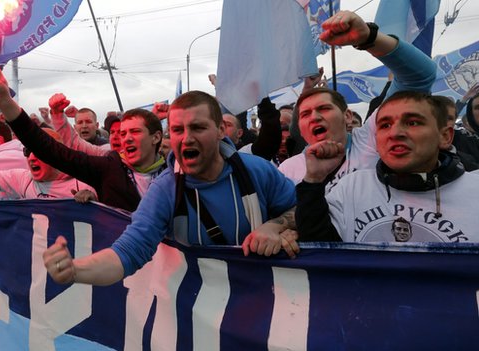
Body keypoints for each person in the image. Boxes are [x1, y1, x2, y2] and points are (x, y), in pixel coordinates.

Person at [41, 90, 299, 286]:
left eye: (197, 127)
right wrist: (77, 271)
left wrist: (275, 226)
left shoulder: (256, 170)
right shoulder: (165, 189)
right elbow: (128, 251)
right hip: (204, 309)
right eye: (177, 130)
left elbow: (302, 211)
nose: (187, 138)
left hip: (269, 298)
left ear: (221, 130)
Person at [279, 11, 437, 193]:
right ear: (299, 126)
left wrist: (369, 38)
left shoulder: (372, 138)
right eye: (305, 114)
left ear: (347, 116)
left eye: (324, 108)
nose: (314, 117)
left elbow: (419, 76)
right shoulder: (287, 171)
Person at [295, 91, 479, 243]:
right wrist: (313, 181)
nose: (395, 133)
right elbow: (322, 254)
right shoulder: (351, 188)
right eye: (385, 125)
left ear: (445, 136)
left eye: (413, 122)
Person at [0, 69, 166, 212]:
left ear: (156, 137)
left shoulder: (175, 173)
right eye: (123, 133)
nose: (126, 139)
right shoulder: (109, 167)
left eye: (135, 132)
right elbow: (50, 149)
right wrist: (5, 102)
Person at [0, 120, 97, 201]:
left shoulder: (82, 184)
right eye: (27, 151)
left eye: (39, 152)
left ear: (58, 154)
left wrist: (94, 201)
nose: (31, 157)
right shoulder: (23, 179)